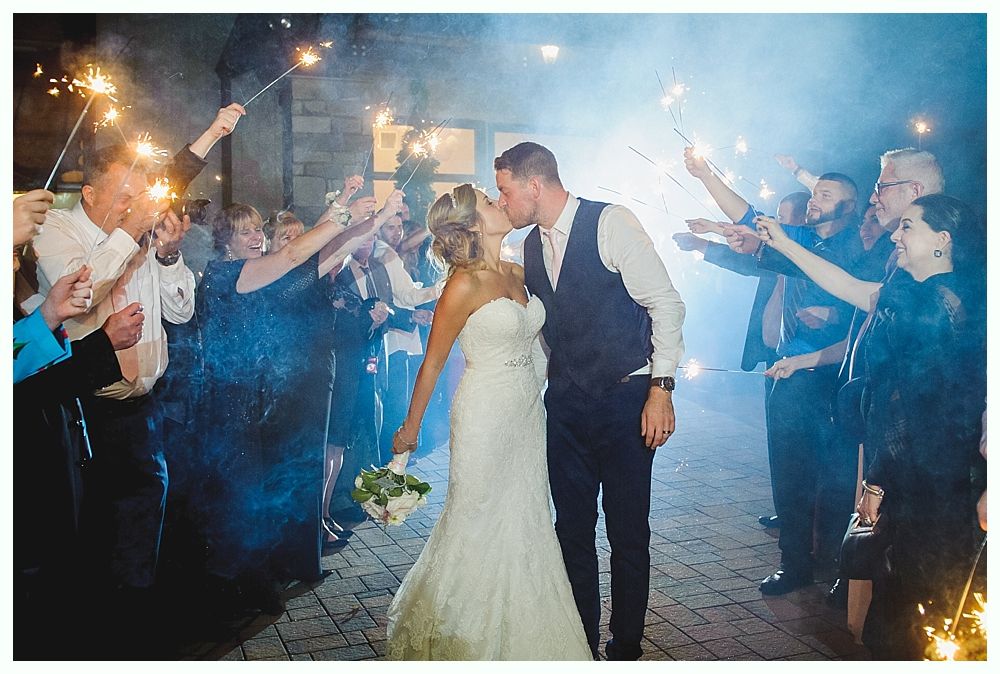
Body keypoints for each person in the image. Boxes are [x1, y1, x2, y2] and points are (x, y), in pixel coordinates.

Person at [755, 194, 986, 660]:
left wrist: (877, 483)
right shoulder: (920, 294)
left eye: (908, 227)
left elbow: (917, 409)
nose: (896, 236)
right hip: (924, 471)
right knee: (907, 599)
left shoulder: (935, 309)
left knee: (918, 604)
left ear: (943, 239)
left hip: (932, 479)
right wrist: (783, 242)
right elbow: (849, 286)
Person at [494, 142, 686, 660]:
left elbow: (666, 304)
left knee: (627, 531)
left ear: (535, 185)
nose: (503, 202)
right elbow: (547, 334)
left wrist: (660, 389)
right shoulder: (529, 246)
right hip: (566, 406)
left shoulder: (611, 223)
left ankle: (625, 645)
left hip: (626, 398)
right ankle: (579, 641)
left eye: (506, 191)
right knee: (571, 529)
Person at [386, 184, 591, 660]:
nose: (500, 203)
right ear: (473, 224)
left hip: (526, 413)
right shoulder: (462, 284)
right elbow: (433, 363)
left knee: (526, 519)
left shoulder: (519, 272)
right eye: (488, 201)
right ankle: (467, 642)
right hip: (482, 413)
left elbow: (544, 341)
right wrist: (410, 431)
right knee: (476, 519)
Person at [196, 191, 402, 611]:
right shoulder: (223, 274)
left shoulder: (264, 277)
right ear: (225, 242)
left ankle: (260, 576)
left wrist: (376, 220)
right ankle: (232, 587)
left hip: (265, 401)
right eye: (245, 232)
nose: (255, 236)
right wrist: (340, 214)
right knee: (240, 497)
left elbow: (321, 260)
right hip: (231, 405)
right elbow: (292, 256)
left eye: (257, 229)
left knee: (265, 493)